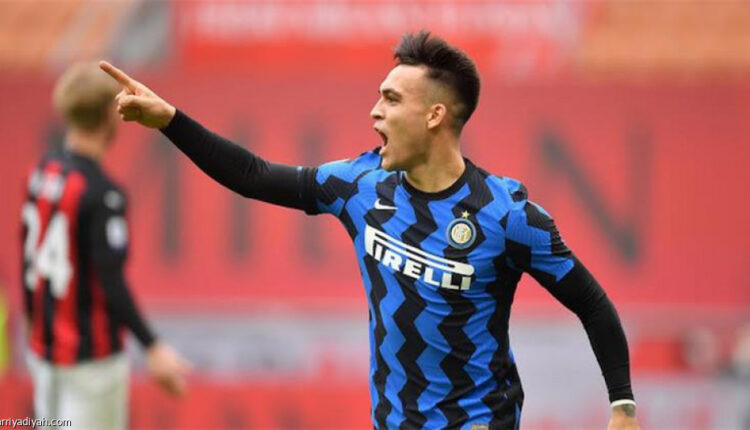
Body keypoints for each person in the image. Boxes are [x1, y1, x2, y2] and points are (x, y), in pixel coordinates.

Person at [100, 31, 640, 430]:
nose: (374, 112)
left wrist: (622, 407)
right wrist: (170, 120)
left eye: (391, 99)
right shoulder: (360, 186)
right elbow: (253, 176)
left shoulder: (507, 215)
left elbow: (592, 304)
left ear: (434, 116)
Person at [20, 62, 190, 429]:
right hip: (91, 362)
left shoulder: (42, 172)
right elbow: (110, 280)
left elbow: (26, 255)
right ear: (109, 116)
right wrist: (153, 346)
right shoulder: (102, 193)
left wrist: (34, 322)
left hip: (44, 352)